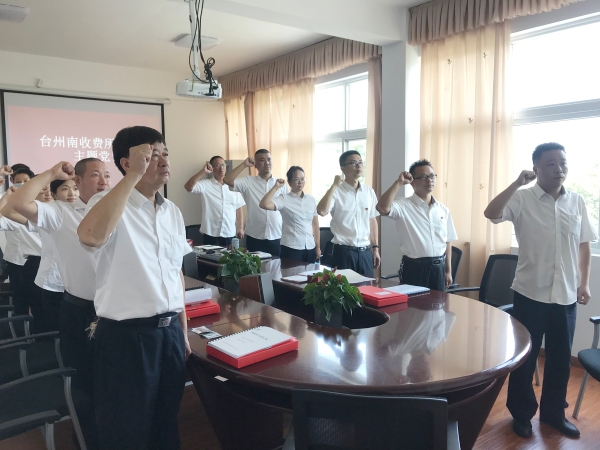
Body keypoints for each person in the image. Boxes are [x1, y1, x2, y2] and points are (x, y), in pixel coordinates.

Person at [77, 126, 191, 450]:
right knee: (126, 431)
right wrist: (131, 179)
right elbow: (90, 236)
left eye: (165, 153)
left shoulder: (172, 211)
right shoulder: (107, 202)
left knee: (166, 424)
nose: (163, 160)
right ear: (127, 163)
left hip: (169, 335)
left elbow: (175, 274)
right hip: (126, 338)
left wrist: (183, 332)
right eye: (152, 155)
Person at [484, 142, 596, 439]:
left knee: (560, 360)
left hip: (566, 295)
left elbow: (583, 245)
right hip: (530, 293)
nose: (559, 169)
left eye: (563, 163)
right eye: (550, 164)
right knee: (526, 358)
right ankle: (521, 415)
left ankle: (554, 414)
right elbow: (491, 212)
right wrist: (516, 183)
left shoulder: (576, 202)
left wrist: (584, 282)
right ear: (536, 168)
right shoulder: (522, 198)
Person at [8, 157, 112, 449]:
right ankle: (87, 439)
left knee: (114, 381)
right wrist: (51, 173)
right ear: (78, 181)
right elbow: (16, 203)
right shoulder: (59, 213)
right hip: (80, 309)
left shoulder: (117, 208)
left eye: (107, 175)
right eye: (95, 175)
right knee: (85, 382)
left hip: (116, 311)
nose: (104, 181)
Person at [376, 160, 457, 291]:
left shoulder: (443, 209)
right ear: (412, 182)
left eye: (432, 176)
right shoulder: (403, 205)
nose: (429, 180)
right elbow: (382, 208)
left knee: (439, 304)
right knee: (414, 304)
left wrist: (448, 271)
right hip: (414, 268)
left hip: (439, 268)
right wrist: (399, 182)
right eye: (424, 177)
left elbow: (447, 241)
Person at [316, 150, 380, 277]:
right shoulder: (336, 191)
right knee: (344, 289)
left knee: (367, 287)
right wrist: (334, 185)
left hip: (365, 252)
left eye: (360, 162)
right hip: (343, 252)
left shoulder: (369, 191)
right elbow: (321, 211)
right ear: (342, 168)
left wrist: (375, 248)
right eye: (353, 163)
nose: (358, 166)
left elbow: (372, 220)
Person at [223, 149, 287, 256]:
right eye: (262, 160)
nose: (267, 163)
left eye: (269, 159)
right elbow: (227, 180)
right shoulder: (248, 181)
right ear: (255, 165)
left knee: (276, 266)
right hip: (255, 236)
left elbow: (286, 209)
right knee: (255, 266)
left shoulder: (281, 184)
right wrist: (244, 165)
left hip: (276, 235)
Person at [1, 168, 43, 324]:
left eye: (26, 181)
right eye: (18, 182)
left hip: (46, 263)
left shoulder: (51, 209)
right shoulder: (13, 208)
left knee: (43, 304)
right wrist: (7, 196)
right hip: (20, 261)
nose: (23, 185)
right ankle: (23, 329)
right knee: (22, 299)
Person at [259, 166, 320, 262]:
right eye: (296, 179)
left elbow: (315, 225)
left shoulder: (311, 200)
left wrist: (318, 246)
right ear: (290, 182)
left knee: (311, 272)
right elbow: (264, 204)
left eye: (302, 179)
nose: (300, 182)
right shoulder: (284, 198)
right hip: (291, 247)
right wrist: (276, 187)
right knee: (290, 272)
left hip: (310, 247)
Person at [184, 156, 245, 247]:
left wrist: (240, 227)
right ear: (212, 168)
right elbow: (188, 187)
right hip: (211, 233)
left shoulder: (233, 186)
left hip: (229, 232)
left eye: (223, 165)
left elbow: (238, 207)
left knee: (229, 256)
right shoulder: (205, 185)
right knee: (210, 256)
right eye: (217, 165)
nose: (221, 168)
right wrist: (203, 171)